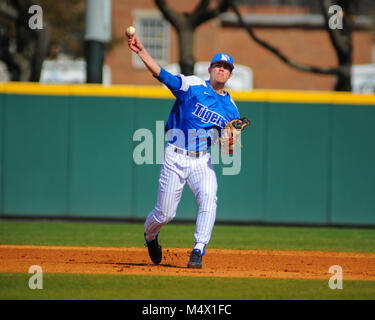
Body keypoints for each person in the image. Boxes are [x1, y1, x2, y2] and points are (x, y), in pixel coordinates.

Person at [128, 35, 240, 269]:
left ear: (230, 74)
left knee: (210, 198)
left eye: (226, 67)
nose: (222, 69)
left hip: (202, 161)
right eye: (218, 65)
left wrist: (229, 143)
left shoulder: (231, 109)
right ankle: (150, 236)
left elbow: (226, 148)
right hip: (175, 156)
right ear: (210, 69)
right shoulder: (193, 86)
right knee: (165, 214)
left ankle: (198, 249)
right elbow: (162, 74)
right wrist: (141, 51)